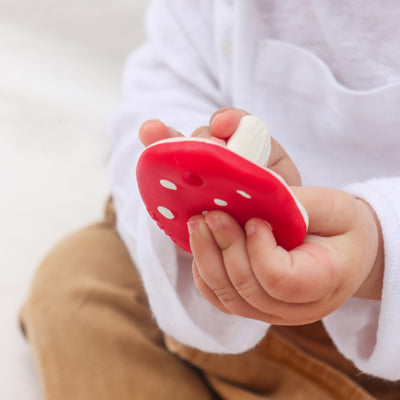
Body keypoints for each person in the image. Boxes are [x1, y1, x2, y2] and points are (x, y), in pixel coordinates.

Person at [20, 1, 400, 399]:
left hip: (377, 329)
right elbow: (166, 81)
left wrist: (378, 252)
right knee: (78, 282)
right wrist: (194, 164)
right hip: (213, 285)